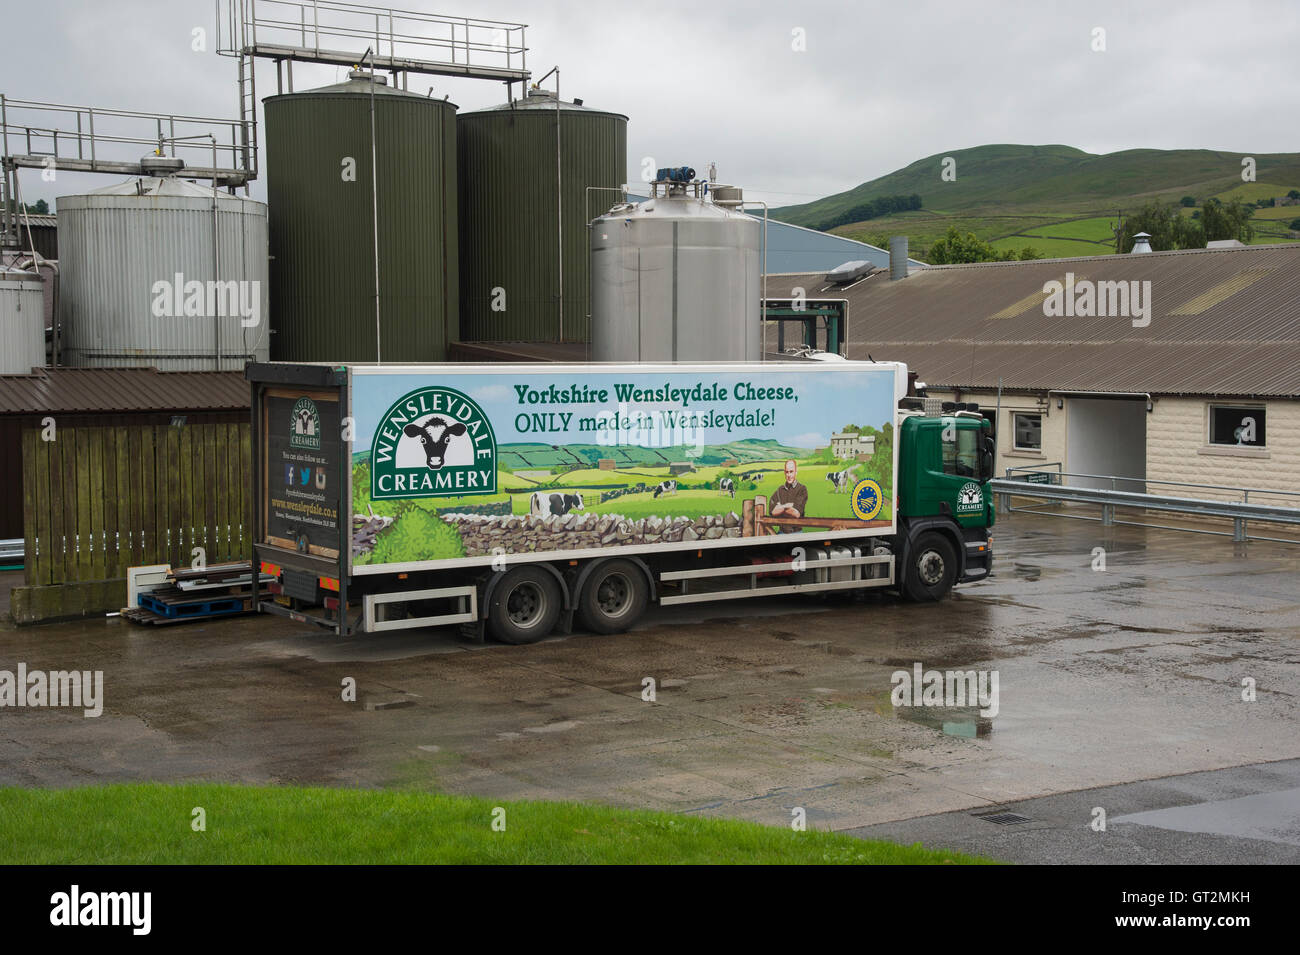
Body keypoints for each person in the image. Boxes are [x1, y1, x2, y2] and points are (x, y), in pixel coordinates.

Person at [768, 459, 808, 525]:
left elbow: (796, 513)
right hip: (781, 532)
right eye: (787, 472)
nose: (789, 475)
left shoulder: (802, 489)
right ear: (784, 473)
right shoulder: (780, 490)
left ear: (796, 472)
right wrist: (788, 506)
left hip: (796, 533)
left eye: (791, 472)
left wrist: (780, 507)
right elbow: (772, 512)